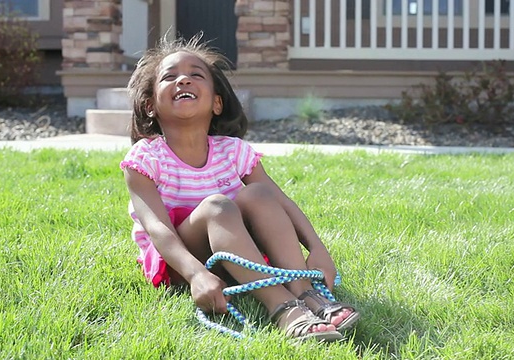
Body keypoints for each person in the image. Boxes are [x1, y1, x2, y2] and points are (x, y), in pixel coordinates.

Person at [119, 35, 360, 342]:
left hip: (239, 255)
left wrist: (317, 248)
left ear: (217, 102)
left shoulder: (233, 151)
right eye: (170, 76)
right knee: (217, 206)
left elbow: (281, 202)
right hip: (184, 261)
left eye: (196, 75)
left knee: (259, 193)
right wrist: (195, 275)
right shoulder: (145, 158)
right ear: (150, 105)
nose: (183, 80)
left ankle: (306, 291)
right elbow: (158, 229)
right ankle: (283, 308)